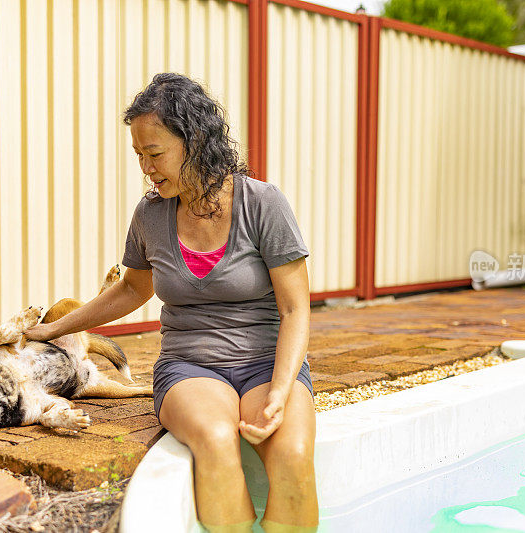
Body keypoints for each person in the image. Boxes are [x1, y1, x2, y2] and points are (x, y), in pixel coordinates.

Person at [24, 73, 318, 533]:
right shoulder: (151, 215)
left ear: (195, 140)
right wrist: (53, 330)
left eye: (155, 153)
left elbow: (296, 310)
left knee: (294, 455)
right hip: (192, 367)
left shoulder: (263, 204)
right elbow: (130, 290)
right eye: (139, 154)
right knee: (217, 438)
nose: (145, 166)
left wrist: (281, 391)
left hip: (268, 364)